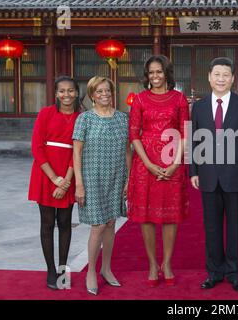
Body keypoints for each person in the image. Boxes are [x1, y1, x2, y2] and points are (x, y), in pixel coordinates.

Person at [190, 57, 238, 292]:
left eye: (225, 74)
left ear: (232, 78)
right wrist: (194, 170)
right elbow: (194, 139)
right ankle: (214, 273)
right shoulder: (198, 106)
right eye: (216, 74)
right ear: (209, 77)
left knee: (236, 229)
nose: (221, 78)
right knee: (211, 228)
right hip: (208, 176)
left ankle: (235, 274)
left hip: (237, 175)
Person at [127, 55, 189, 287]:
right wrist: (149, 164)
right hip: (145, 163)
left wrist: (175, 163)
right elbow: (134, 134)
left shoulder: (179, 98)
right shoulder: (140, 100)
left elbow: (185, 132)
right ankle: (153, 263)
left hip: (172, 160)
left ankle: (168, 263)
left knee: (171, 216)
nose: (155, 76)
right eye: (151, 72)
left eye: (159, 72)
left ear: (167, 74)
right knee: (147, 217)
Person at [73, 76, 132, 296]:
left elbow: (128, 151)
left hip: (116, 176)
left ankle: (106, 269)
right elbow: (76, 153)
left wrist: (129, 178)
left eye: (107, 90)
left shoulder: (122, 118)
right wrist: (79, 184)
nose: (104, 94)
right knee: (97, 226)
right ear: (92, 95)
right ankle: (91, 272)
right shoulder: (84, 119)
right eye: (99, 91)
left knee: (110, 223)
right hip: (92, 178)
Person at [28, 76, 81, 290]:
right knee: (47, 224)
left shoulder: (81, 118)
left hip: (68, 173)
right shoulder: (45, 113)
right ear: (56, 93)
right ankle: (50, 270)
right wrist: (54, 179)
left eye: (70, 91)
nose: (66, 95)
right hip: (45, 174)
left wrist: (66, 181)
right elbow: (36, 147)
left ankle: (62, 269)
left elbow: (77, 150)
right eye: (62, 91)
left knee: (66, 223)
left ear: (77, 93)